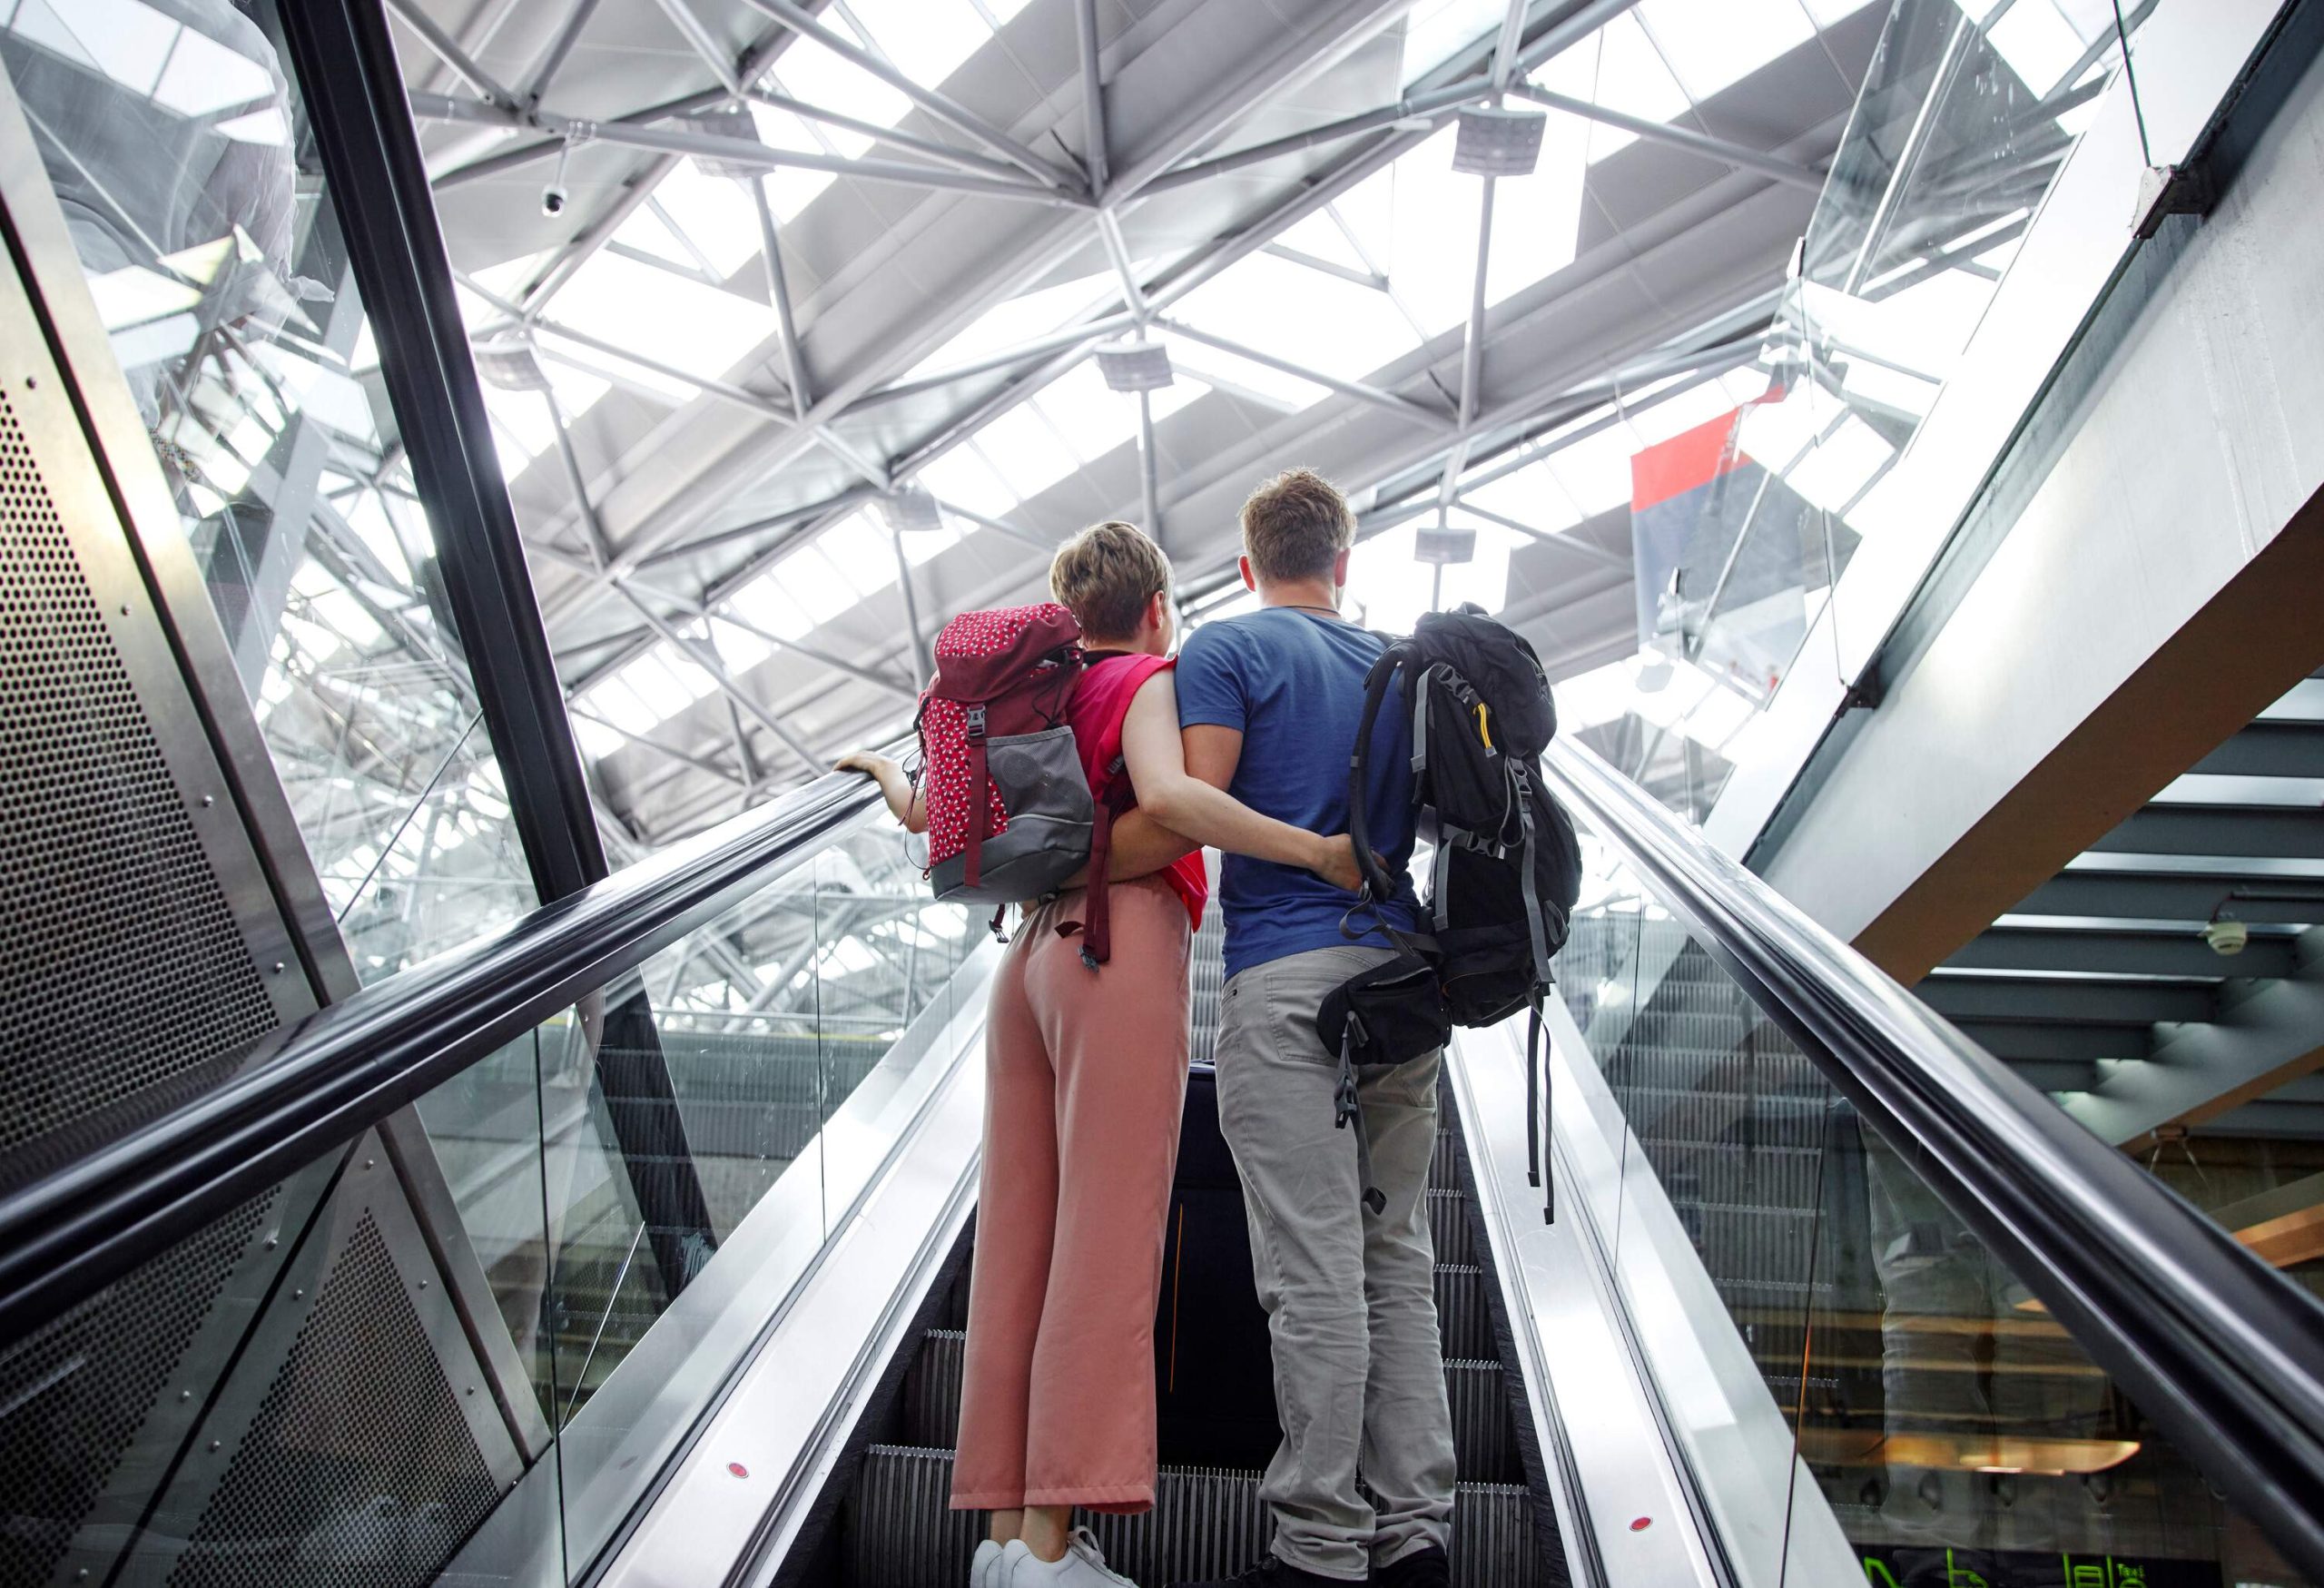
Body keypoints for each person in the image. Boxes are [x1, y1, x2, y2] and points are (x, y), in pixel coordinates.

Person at [840, 520, 1359, 1588]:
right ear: (1157, 609)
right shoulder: (1143, 681)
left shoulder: (1030, 698)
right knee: (1102, 1251)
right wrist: (1315, 850)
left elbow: (944, 825)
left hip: (1020, 962)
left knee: (1017, 1246)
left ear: (1062, 618)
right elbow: (1168, 808)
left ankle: (998, 1543)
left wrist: (891, 786)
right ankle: (1048, 1545)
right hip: (1112, 956)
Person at [1153, 469, 1458, 1588]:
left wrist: (1307, 852)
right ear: (1345, 558)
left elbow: (1200, 803)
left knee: (1313, 1266)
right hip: (1400, 989)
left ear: (1247, 564)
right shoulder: (1399, 667)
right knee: (1397, 1261)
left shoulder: (1229, 652)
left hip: (1287, 982)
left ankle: (1321, 1546)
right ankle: (1415, 1531)